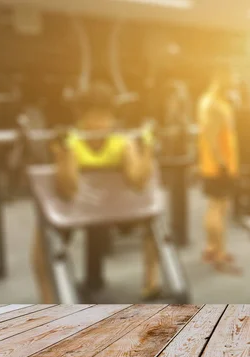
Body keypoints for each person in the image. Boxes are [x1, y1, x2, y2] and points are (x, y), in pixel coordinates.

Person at [31, 81, 159, 303]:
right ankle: (48, 301)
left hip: (116, 210)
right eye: (92, 115)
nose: (99, 122)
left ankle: (151, 283)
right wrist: (66, 152)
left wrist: (147, 147)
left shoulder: (122, 143)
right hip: (75, 210)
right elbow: (68, 189)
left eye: (104, 115)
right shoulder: (70, 142)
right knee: (42, 242)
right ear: (80, 116)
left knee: (154, 223)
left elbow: (138, 181)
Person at [198, 66, 240, 274]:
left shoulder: (217, 102)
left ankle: (211, 248)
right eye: (232, 78)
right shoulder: (213, 104)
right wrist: (222, 162)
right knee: (217, 207)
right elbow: (211, 137)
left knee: (217, 206)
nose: (235, 83)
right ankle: (220, 253)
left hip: (220, 164)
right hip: (218, 165)